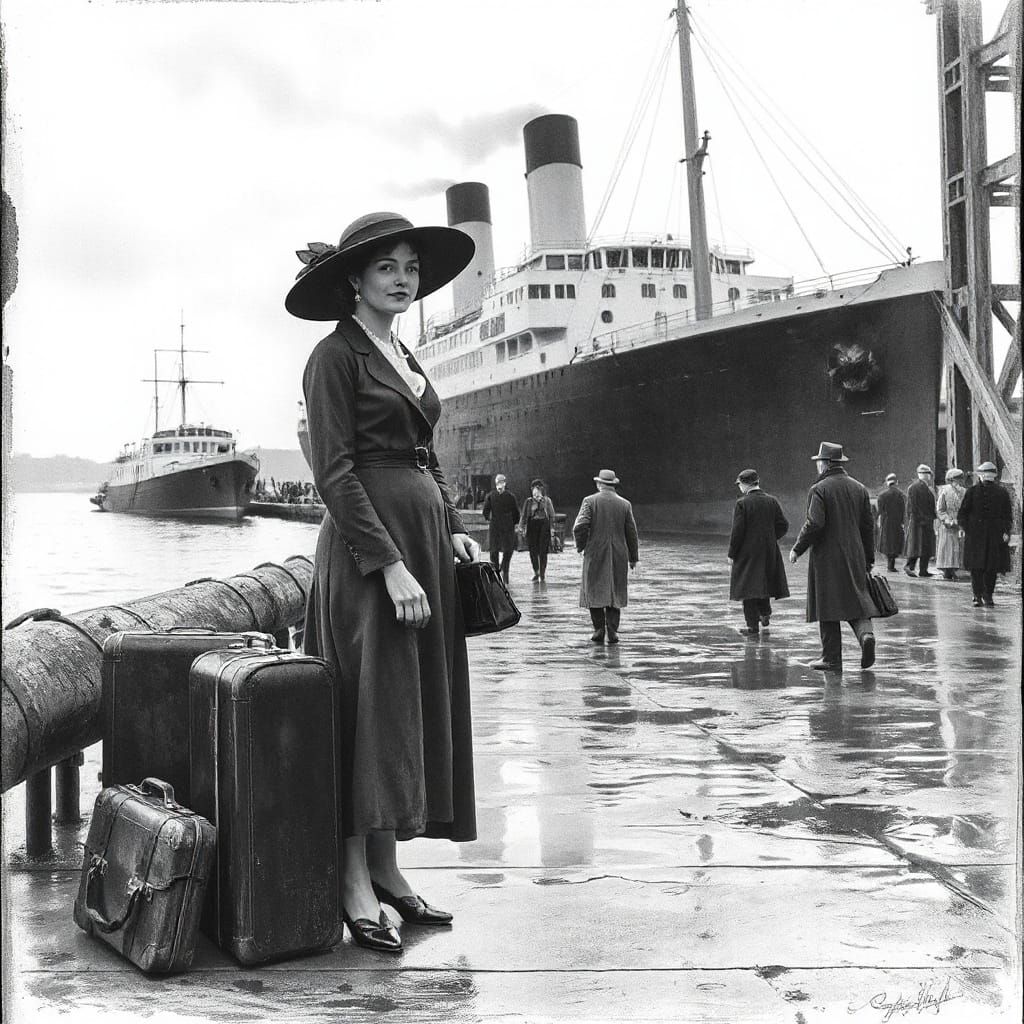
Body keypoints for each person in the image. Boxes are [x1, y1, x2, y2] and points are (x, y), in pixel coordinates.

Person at [286, 211, 480, 954]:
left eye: (411, 268)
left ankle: (391, 870)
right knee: (367, 708)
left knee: (409, 706)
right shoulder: (333, 357)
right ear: (354, 281)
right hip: (373, 557)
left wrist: (455, 527)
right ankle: (351, 880)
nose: (406, 280)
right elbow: (332, 471)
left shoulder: (403, 352)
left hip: (425, 542)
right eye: (389, 269)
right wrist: (390, 562)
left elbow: (424, 456)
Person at [790, 442, 877, 671]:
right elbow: (868, 527)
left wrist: (798, 548)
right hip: (855, 554)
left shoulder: (819, 489)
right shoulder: (859, 488)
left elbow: (815, 523)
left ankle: (831, 658)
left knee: (827, 605)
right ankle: (866, 636)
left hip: (827, 558)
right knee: (857, 601)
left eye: (818, 461)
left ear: (825, 464)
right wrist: (868, 559)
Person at [573, 468, 640, 644]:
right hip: (618, 553)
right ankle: (612, 630)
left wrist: (581, 546)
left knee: (593, 589)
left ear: (599, 484)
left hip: (594, 552)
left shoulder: (589, 501)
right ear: (614, 485)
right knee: (615, 590)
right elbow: (631, 533)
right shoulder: (625, 504)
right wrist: (633, 558)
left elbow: (579, 526)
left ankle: (598, 629)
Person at [727, 468, 789, 636]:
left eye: (739, 484)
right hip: (769, 551)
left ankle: (752, 627)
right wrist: (770, 538)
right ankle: (765, 613)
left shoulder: (742, 503)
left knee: (748, 589)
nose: (739, 488)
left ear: (745, 484)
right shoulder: (772, 501)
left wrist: (732, 554)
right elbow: (783, 525)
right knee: (764, 583)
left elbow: (737, 532)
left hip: (747, 554)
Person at [957, 461, 1013, 607]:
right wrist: (1006, 531)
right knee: (989, 568)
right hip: (989, 536)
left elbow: (962, 513)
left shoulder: (973, 491)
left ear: (981, 476)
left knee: (981, 568)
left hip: (982, 536)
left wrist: (967, 528)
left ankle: (980, 596)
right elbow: (1008, 516)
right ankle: (985, 596)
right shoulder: (1001, 492)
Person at [481, 474, 520, 584]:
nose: (500, 485)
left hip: (508, 526)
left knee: (508, 550)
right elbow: (486, 511)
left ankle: (505, 569)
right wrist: (489, 518)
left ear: (505, 483)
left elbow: (516, 512)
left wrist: (515, 522)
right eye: (498, 483)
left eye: (502, 482)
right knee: (494, 551)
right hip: (495, 526)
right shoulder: (491, 496)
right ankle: (496, 572)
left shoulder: (510, 496)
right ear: (495, 484)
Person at [519, 479, 556, 581]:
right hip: (532, 525)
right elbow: (524, 515)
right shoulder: (528, 501)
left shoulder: (547, 500)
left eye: (538, 488)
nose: (536, 490)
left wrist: (552, 529)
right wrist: (521, 527)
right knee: (532, 550)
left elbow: (552, 515)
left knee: (543, 550)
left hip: (544, 525)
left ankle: (542, 573)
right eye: (534, 488)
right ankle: (536, 571)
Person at [904, 464, 937, 577]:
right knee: (919, 546)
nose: (929, 477)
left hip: (921, 522)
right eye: (928, 474)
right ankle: (912, 567)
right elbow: (912, 507)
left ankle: (920, 569)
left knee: (919, 546)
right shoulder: (918, 488)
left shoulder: (919, 488)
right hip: (920, 522)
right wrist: (924, 518)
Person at [935, 467, 967, 581]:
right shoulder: (944, 491)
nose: (959, 481)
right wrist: (947, 520)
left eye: (960, 479)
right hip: (947, 525)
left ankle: (956, 569)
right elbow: (940, 509)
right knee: (947, 548)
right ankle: (947, 571)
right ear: (951, 480)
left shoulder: (964, 492)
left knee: (958, 548)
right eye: (956, 479)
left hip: (960, 524)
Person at [875, 473, 906, 573]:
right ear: (896, 482)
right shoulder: (901, 495)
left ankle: (890, 564)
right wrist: (902, 521)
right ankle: (891, 565)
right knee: (895, 543)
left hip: (886, 522)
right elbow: (903, 510)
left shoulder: (882, 495)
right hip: (897, 522)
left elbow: (879, 510)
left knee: (888, 543)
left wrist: (877, 519)